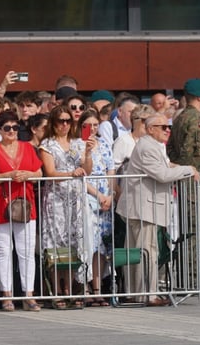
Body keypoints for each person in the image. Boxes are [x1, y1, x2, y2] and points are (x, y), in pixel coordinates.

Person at [116, 113, 198, 305]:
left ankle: (137, 292)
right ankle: (148, 294)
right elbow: (161, 174)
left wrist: (177, 166)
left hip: (142, 207)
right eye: (163, 127)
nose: (167, 130)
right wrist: (188, 169)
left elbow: (163, 166)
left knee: (138, 251)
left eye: (168, 126)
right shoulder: (148, 147)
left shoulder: (152, 145)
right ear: (150, 128)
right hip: (144, 208)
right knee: (147, 251)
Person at [0, 111, 43, 312]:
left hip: (25, 203)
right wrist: (8, 175)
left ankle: (29, 295)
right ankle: (6, 294)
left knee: (26, 251)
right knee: (3, 250)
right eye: (7, 128)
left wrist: (28, 175)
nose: (11, 131)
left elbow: (39, 172)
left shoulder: (27, 147)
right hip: (0, 203)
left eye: (15, 127)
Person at [39, 104, 94, 308]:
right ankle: (56, 289)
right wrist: (71, 173)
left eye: (68, 121)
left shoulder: (77, 143)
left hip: (75, 197)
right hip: (56, 198)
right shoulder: (48, 144)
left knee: (74, 241)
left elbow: (86, 169)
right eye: (60, 121)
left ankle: (70, 288)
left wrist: (88, 153)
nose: (64, 125)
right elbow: (50, 172)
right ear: (53, 123)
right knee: (56, 242)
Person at [166, 78, 200, 291]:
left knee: (188, 232)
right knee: (195, 233)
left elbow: (172, 150)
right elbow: (186, 151)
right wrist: (191, 172)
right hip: (193, 185)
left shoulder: (180, 117)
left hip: (186, 183)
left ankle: (188, 279)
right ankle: (192, 282)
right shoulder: (195, 118)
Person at [78, 109, 114, 306]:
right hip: (88, 197)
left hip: (105, 199)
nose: (92, 128)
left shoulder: (106, 145)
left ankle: (99, 287)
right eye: (87, 125)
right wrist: (99, 195)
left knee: (101, 246)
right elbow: (83, 175)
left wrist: (111, 195)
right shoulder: (78, 145)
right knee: (88, 245)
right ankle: (85, 286)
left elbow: (111, 172)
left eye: (95, 124)